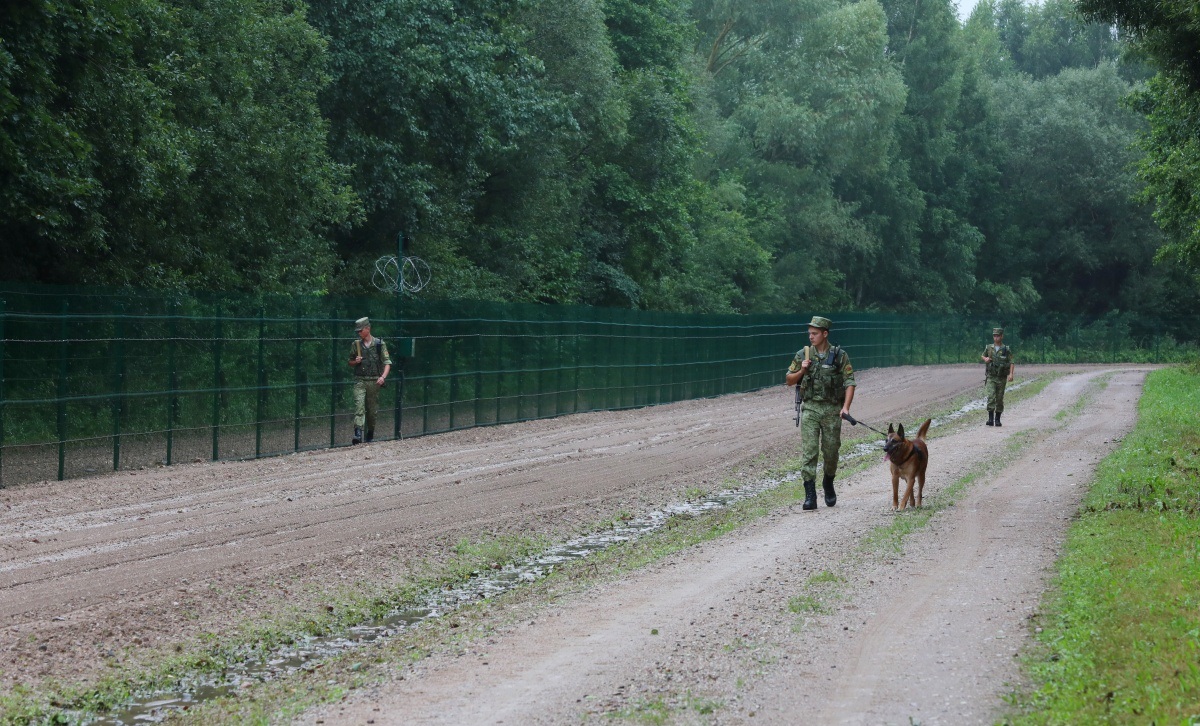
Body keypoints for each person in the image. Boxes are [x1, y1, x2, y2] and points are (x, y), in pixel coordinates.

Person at [785, 316, 856, 510]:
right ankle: (810, 495)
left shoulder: (840, 355)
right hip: (810, 408)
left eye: (814, 333)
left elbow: (850, 382)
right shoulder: (803, 355)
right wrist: (802, 371)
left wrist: (846, 407)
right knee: (810, 452)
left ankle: (828, 482)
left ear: (825, 334)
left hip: (832, 410)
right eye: (809, 333)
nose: (811, 337)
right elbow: (789, 380)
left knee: (831, 452)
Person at [349, 317, 392, 444]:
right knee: (359, 407)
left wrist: (382, 377)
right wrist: (355, 361)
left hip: (374, 381)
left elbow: (387, 362)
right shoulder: (355, 345)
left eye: (361, 330)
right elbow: (350, 362)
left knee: (372, 411)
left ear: (368, 328)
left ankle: (370, 433)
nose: (359, 333)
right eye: (358, 331)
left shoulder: (379, 344)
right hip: (360, 380)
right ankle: (357, 434)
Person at [981, 327, 1014, 426]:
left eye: (998, 336)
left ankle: (998, 419)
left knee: (999, 398)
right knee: (991, 396)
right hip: (991, 376)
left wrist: (1011, 374)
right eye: (994, 336)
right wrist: (985, 359)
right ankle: (990, 419)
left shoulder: (1006, 349)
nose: (996, 338)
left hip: (1001, 378)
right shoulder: (989, 348)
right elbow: (982, 355)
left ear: (1002, 336)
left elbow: (1011, 361)